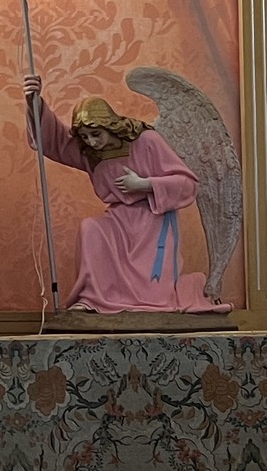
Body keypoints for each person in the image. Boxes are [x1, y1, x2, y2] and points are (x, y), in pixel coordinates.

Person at [23, 73, 228, 314]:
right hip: (119, 219)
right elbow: (54, 140)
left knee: (151, 286)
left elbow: (187, 183)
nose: (91, 142)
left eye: (96, 135)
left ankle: (148, 301)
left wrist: (144, 184)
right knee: (91, 228)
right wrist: (34, 101)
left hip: (152, 220)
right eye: (85, 137)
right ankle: (92, 298)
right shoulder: (90, 151)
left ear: (110, 126)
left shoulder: (146, 140)